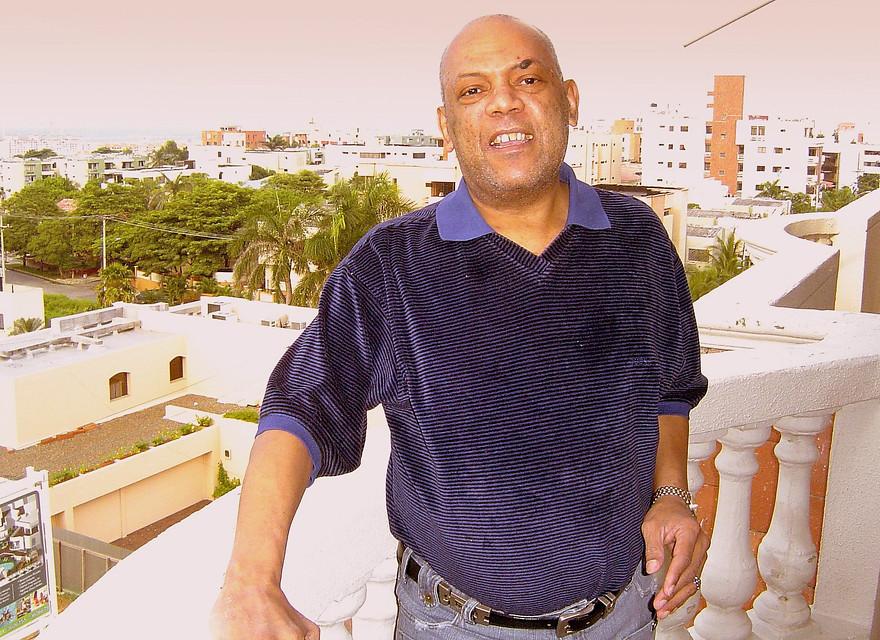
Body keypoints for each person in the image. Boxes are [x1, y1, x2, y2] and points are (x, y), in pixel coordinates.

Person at [211, 14, 709, 640]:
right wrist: (251, 581)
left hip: (624, 616)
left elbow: (669, 388)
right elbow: (300, 407)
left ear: (570, 100)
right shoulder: (393, 264)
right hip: (453, 624)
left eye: (527, 79)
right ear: (446, 126)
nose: (503, 102)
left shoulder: (636, 236)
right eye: (473, 90)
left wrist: (672, 494)